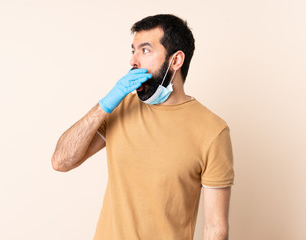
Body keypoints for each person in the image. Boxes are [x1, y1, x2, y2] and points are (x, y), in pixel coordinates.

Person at [51, 14, 234, 240]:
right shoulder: (120, 108)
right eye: (133, 51)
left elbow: (216, 228)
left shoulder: (213, 131)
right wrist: (106, 104)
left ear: (175, 61)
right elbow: (61, 161)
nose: (133, 61)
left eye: (145, 51)